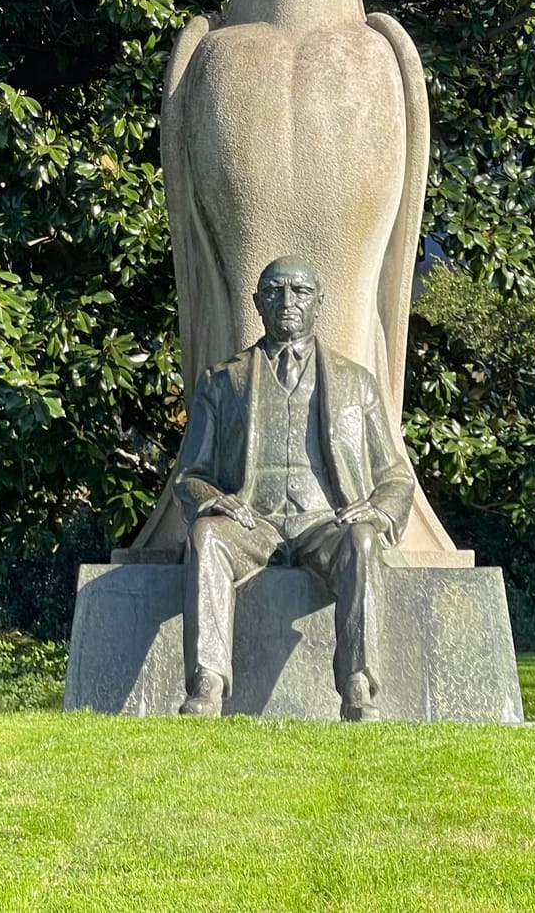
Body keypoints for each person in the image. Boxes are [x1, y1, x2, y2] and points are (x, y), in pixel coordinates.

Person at [174, 256, 415, 720]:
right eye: (275, 290)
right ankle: (206, 682)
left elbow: (395, 475)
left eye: (300, 291)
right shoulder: (223, 380)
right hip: (252, 522)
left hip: (324, 521)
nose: (288, 301)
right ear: (257, 302)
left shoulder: (356, 383)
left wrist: (376, 511)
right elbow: (189, 475)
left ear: (319, 302)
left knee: (361, 540)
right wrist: (216, 501)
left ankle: (358, 685)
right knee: (206, 536)